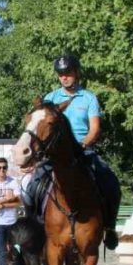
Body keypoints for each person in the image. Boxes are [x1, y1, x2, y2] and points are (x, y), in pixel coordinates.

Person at [38, 54, 122, 250]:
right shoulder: (50, 98)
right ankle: (36, 228)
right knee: (32, 186)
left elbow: (95, 128)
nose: (64, 77)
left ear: (77, 73)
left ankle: (109, 227)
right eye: (61, 74)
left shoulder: (89, 97)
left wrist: (83, 144)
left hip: (84, 151)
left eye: (68, 73)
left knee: (110, 182)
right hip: (55, 155)